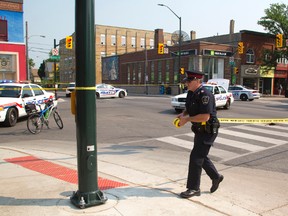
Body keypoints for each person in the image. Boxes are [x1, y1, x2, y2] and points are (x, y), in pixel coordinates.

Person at [177, 70, 223, 198]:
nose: (187, 83)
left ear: (197, 81)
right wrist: (184, 114)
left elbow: (205, 117)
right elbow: (190, 107)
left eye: (189, 81)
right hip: (199, 129)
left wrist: (186, 120)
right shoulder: (191, 93)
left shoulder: (205, 95)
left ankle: (193, 188)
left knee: (196, 157)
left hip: (208, 130)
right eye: (186, 81)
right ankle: (216, 177)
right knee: (200, 156)